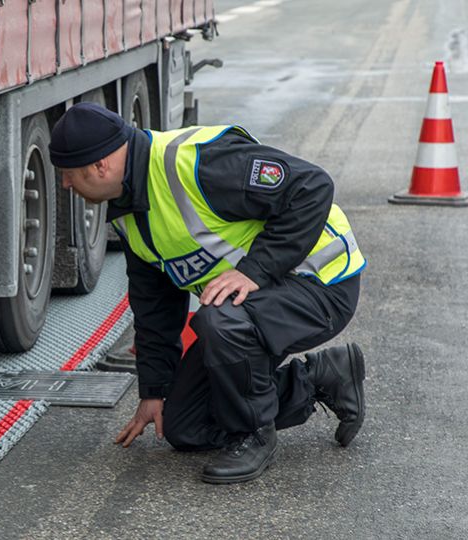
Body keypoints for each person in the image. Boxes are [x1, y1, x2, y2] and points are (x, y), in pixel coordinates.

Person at [48, 102, 367, 484]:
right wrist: (154, 391)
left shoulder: (196, 163)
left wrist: (254, 271)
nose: (66, 185)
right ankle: (322, 377)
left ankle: (253, 434)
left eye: (68, 173)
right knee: (186, 426)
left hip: (322, 284)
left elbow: (312, 186)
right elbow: (155, 308)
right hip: (258, 305)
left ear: (100, 165)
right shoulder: (131, 209)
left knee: (219, 320)